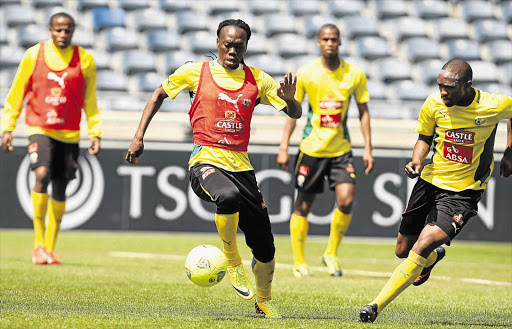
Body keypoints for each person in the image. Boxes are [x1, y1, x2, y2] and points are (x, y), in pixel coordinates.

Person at [125, 19, 301, 318]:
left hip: (242, 167)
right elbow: (157, 95)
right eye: (227, 43)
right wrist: (139, 136)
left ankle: (264, 300)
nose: (232, 49)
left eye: (239, 44)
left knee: (266, 248)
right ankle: (232, 262)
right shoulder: (195, 72)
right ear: (218, 42)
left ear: (247, 45)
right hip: (205, 160)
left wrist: (291, 99)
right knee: (227, 196)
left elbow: (294, 113)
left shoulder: (258, 79)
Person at [358, 58, 512, 323]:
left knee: (423, 243)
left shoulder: (493, 104)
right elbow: (424, 139)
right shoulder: (433, 103)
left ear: (467, 85)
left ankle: (375, 306)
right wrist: (417, 160)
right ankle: (432, 258)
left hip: (463, 192)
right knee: (402, 250)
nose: (443, 92)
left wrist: (509, 150)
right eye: (440, 85)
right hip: (429, 182)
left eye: (449, 87)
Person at [1, 12, 102, 265]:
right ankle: (38, 245)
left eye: (67, 30)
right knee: (41, 174)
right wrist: (8, 127)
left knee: (60, 186)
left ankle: (49, 248)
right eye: (58, 30)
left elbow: (90, 99)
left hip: (69, 134)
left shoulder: (85, 60)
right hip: (40, 128)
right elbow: (16, 93)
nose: (63, 35)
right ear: (49, 30)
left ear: (73, 31)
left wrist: (95, 131)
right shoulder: (33, 55)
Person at [277, 24, 374, 278]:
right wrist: (284, 146)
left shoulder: (354, 74)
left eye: (334, 39)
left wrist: (368, 149)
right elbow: (293, 111)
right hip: (312, 149)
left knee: (347, 200)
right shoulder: (307, 72)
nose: (330, 43)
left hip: (341, 149)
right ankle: (299, 261)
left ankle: (330, 253)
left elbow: (364, 112)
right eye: (325, 39)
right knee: (304, 205)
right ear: (319, 42)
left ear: (340, 42)